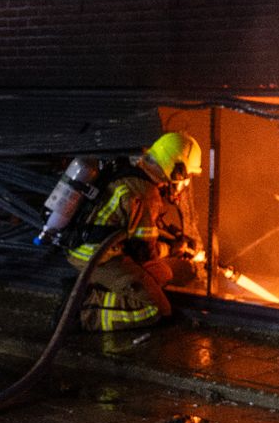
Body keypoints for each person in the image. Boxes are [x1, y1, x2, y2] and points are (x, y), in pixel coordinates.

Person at [67, 131, 203, 332]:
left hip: (94, 248)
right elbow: (144, 253)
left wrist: (170, 241)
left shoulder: (133, 171)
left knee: (162, 273)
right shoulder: (146, 193)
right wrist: (174, 249)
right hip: (98, 257)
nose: (185, 183)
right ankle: (84, 313)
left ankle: (99, 290)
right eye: (187, 176)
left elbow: (134, 229)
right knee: (155, 309)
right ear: (177, 171)